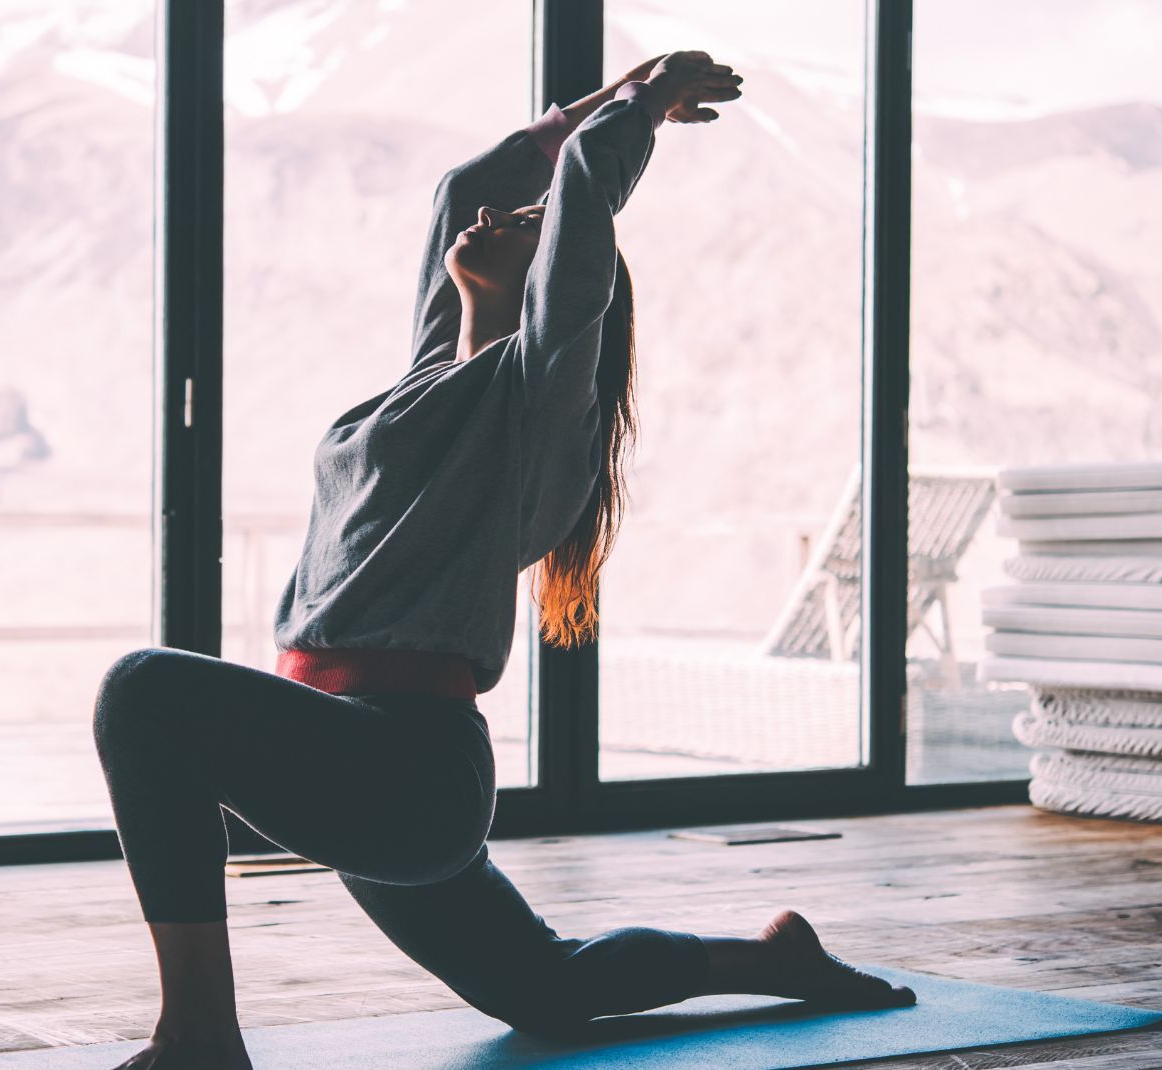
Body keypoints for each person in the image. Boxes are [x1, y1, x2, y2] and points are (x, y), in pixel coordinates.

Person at [92, 50, 915, 1070]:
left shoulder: (535, 409)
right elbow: (466, 190)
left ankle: (201, 1037)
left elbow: (578, 206)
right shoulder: (435, 378)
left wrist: (645, 109)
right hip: (353, 757)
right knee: (549, 992)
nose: (495, 224)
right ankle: (775, 960)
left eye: (526, 232)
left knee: (143, 692)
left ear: (550, 289)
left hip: (405, 768)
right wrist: (595, 100)